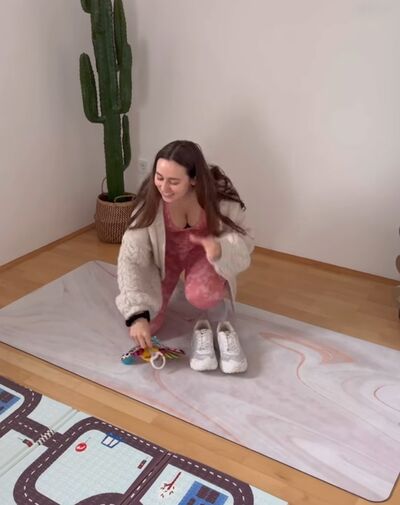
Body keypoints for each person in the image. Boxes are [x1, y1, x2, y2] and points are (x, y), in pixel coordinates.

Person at [116, 140, 254, 373]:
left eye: (173, 181)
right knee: (149, 324)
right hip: (165, 258)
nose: (164, 188)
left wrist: (221, 249)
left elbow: (246, 241)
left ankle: (215, 324)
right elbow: (132, 258)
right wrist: (137, 314)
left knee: (202, 295)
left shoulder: (220, 198)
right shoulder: (150, 201)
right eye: (159, 177)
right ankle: (170, 291)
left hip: (204, 254)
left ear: (194, 179)